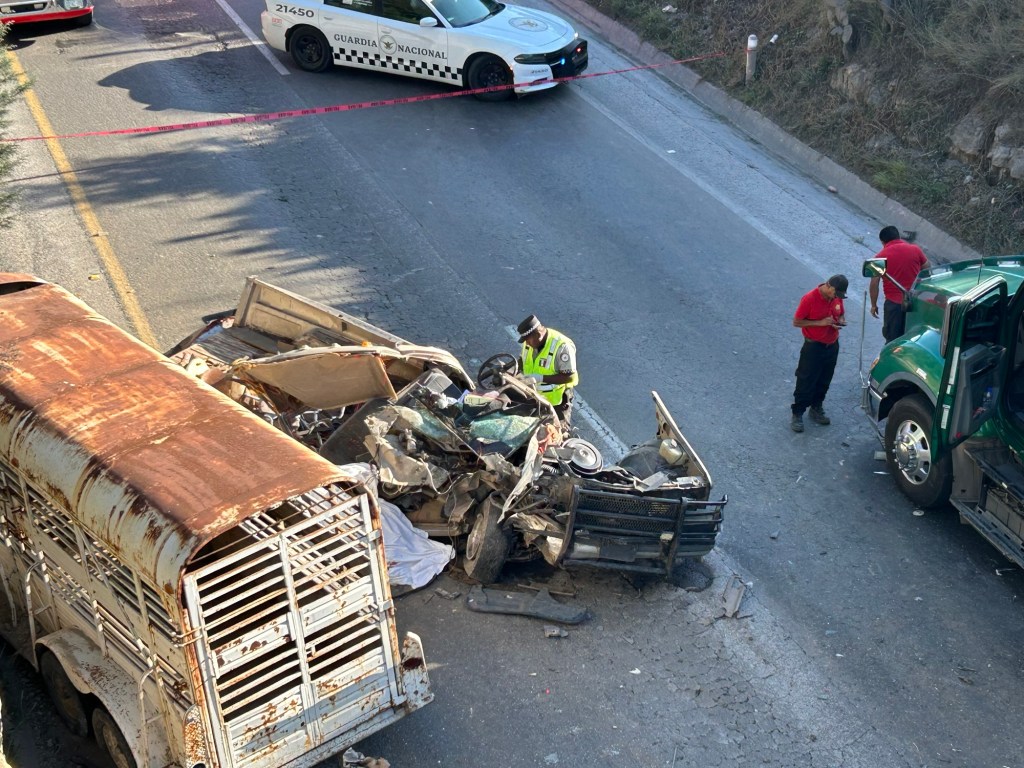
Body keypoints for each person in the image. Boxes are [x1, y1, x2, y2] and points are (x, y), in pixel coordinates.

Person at [790, 275, 848, 433]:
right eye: (835, 294)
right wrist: (820, 323)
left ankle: (816, 407)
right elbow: (796, 321)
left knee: (824, 379)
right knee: (806, 379)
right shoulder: (809, 298)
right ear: (829, 286)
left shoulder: (836, 297)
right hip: (813, 346)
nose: (837, 298)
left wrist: (840, 321)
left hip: (832, 345)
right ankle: (798, 413)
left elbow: (840, 313)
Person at [869, 225, 929, 343]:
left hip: (894, 306)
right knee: (913, 339)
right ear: (898, 237)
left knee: (892, 341)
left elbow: (874, 284)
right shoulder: (915, 249)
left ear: (882, 241)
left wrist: (873, 305)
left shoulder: (879, 258)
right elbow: (927, 269)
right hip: (915, 303)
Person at [516, 314, 578, 427]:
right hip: (534, 396)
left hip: (557, 400)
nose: (527, 343)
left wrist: (540, 378)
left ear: (538, 334)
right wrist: (512, 368)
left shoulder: (562, 346)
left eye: (528, 340)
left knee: (558, 433)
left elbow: (570, 377)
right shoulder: (529, 343)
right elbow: (522, 360)